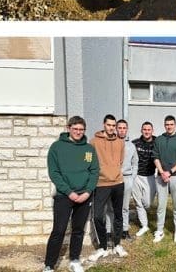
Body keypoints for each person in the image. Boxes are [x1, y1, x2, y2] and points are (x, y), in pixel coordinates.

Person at [43, 116, 98, 272]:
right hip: (64, 196)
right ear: (68, 128)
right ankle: (49, 265)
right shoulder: (57, 147)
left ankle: (74, 259)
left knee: (78, 230)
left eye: (81, 129)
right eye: (75, 129)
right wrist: (69, 192)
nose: (78, 132)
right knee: (59, 230)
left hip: (84, 196)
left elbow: (94, 171)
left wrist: (87, 192)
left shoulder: (89, 149)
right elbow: (54, 173)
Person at [87, 115, 128, 261]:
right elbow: (88, 161)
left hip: (118, 182)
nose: (111, 128)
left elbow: (121, 161)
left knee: (118, 215)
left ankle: (117, 244)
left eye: (113, 125)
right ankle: (103, 247)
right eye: (109, 125)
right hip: (101, 184)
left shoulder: (120, 142)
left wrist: (114, 170)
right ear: (104, 125)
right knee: (98, 216)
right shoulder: (93, 142)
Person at [153, 114, 176, 243]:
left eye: (171, 124)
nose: (169, 127)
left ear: (175, 125)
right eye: (167, 124)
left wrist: (170, 172)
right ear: (164, 125)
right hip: (161, 176)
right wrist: (162, 172)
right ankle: (160, 230)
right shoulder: (159, 140)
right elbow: (155, 157)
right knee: (161, 206)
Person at [131, 122, 157, 236]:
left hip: (150, 176)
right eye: (144, 129)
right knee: (138, 202)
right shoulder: (135, 143)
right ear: (141, 130)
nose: (146, 131)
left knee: (147, 203)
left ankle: (141, 213)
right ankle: (144, 225)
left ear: (152, 130)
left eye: (149, 129)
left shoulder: (157, 142)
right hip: (136, 176)